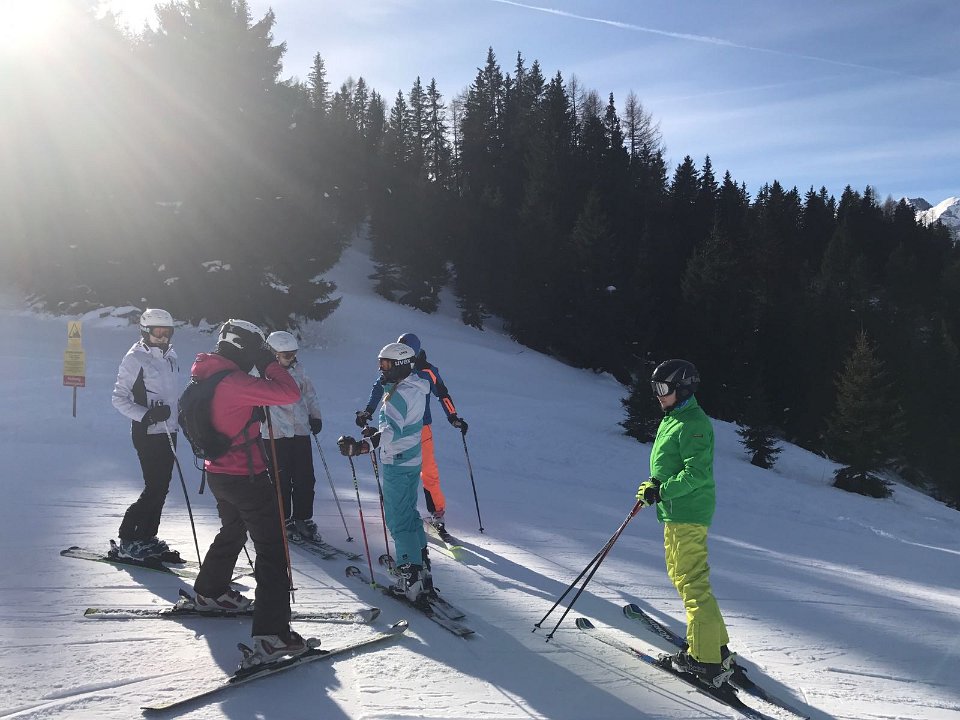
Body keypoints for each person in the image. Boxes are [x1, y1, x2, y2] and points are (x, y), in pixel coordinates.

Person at [189, 319, 314, 666]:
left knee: (233, 530)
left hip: (217, 474)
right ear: (247, 349)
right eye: (258, 349)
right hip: (246, 477)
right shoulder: (235, 382)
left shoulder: (205, 374)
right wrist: (268, 362)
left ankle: (210, 591)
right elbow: (290, 393)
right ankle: (273, 636)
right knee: (272, 551)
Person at [636, 359, 734, 688]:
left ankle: (704, 661)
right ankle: (716, 648)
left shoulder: (693, 422)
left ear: (682, 388)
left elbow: (696, 473)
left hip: (687, 512)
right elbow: (671, 464)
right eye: (655, 388)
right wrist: (654, 484)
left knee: (691, 584)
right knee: (691, 581)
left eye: (663, 388)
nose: (658, 394)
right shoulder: (675, 418)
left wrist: (661, 491)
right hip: (677, 511)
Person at [339, 342, 432, 602]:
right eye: (380, 363)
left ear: (400, 365)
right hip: (411, 459)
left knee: (398, 520)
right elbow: (400, 425)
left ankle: (410, 578)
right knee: (410, 514)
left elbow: (392, 431)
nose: (382, 369)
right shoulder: (415, 387)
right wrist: (376, 434)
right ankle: (420, 567)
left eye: (387, 364)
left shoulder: (399, 394)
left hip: (397, 463)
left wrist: (363, 446)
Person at [355, 332, 467, 535]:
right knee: (398, 471)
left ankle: (437, 512)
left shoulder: (427, 370)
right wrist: (368, 411)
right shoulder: (393, 366)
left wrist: (453, 416)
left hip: (421, 428)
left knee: (428, 471)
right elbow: (378, 388)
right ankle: (399, 512)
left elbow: (442, 393)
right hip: (396, 426)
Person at [111, 308, 180, 560]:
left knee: (162, 487)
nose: (162, 337)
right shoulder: (135, 358)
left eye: (166, 332)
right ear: (145, 332)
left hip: (169, 430)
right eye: (156, 332)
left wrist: (180, 416)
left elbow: (170, 396)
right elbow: (119, 399)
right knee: (154, 487)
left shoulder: (171, 356)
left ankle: (148, 536)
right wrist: (148, 415)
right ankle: (129, 537)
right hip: (147, 432)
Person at [262, 331, 323, 541]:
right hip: (275, 434)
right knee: (280, 478)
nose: (292, 358)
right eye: (287, 355)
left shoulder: (299, 370)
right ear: (273, 353)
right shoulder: (262, 373)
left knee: (305, 477)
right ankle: (282, 518)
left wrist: (315, 416)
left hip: (300, 430)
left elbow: (310, 394)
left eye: (294, 354)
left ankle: (302, 517)